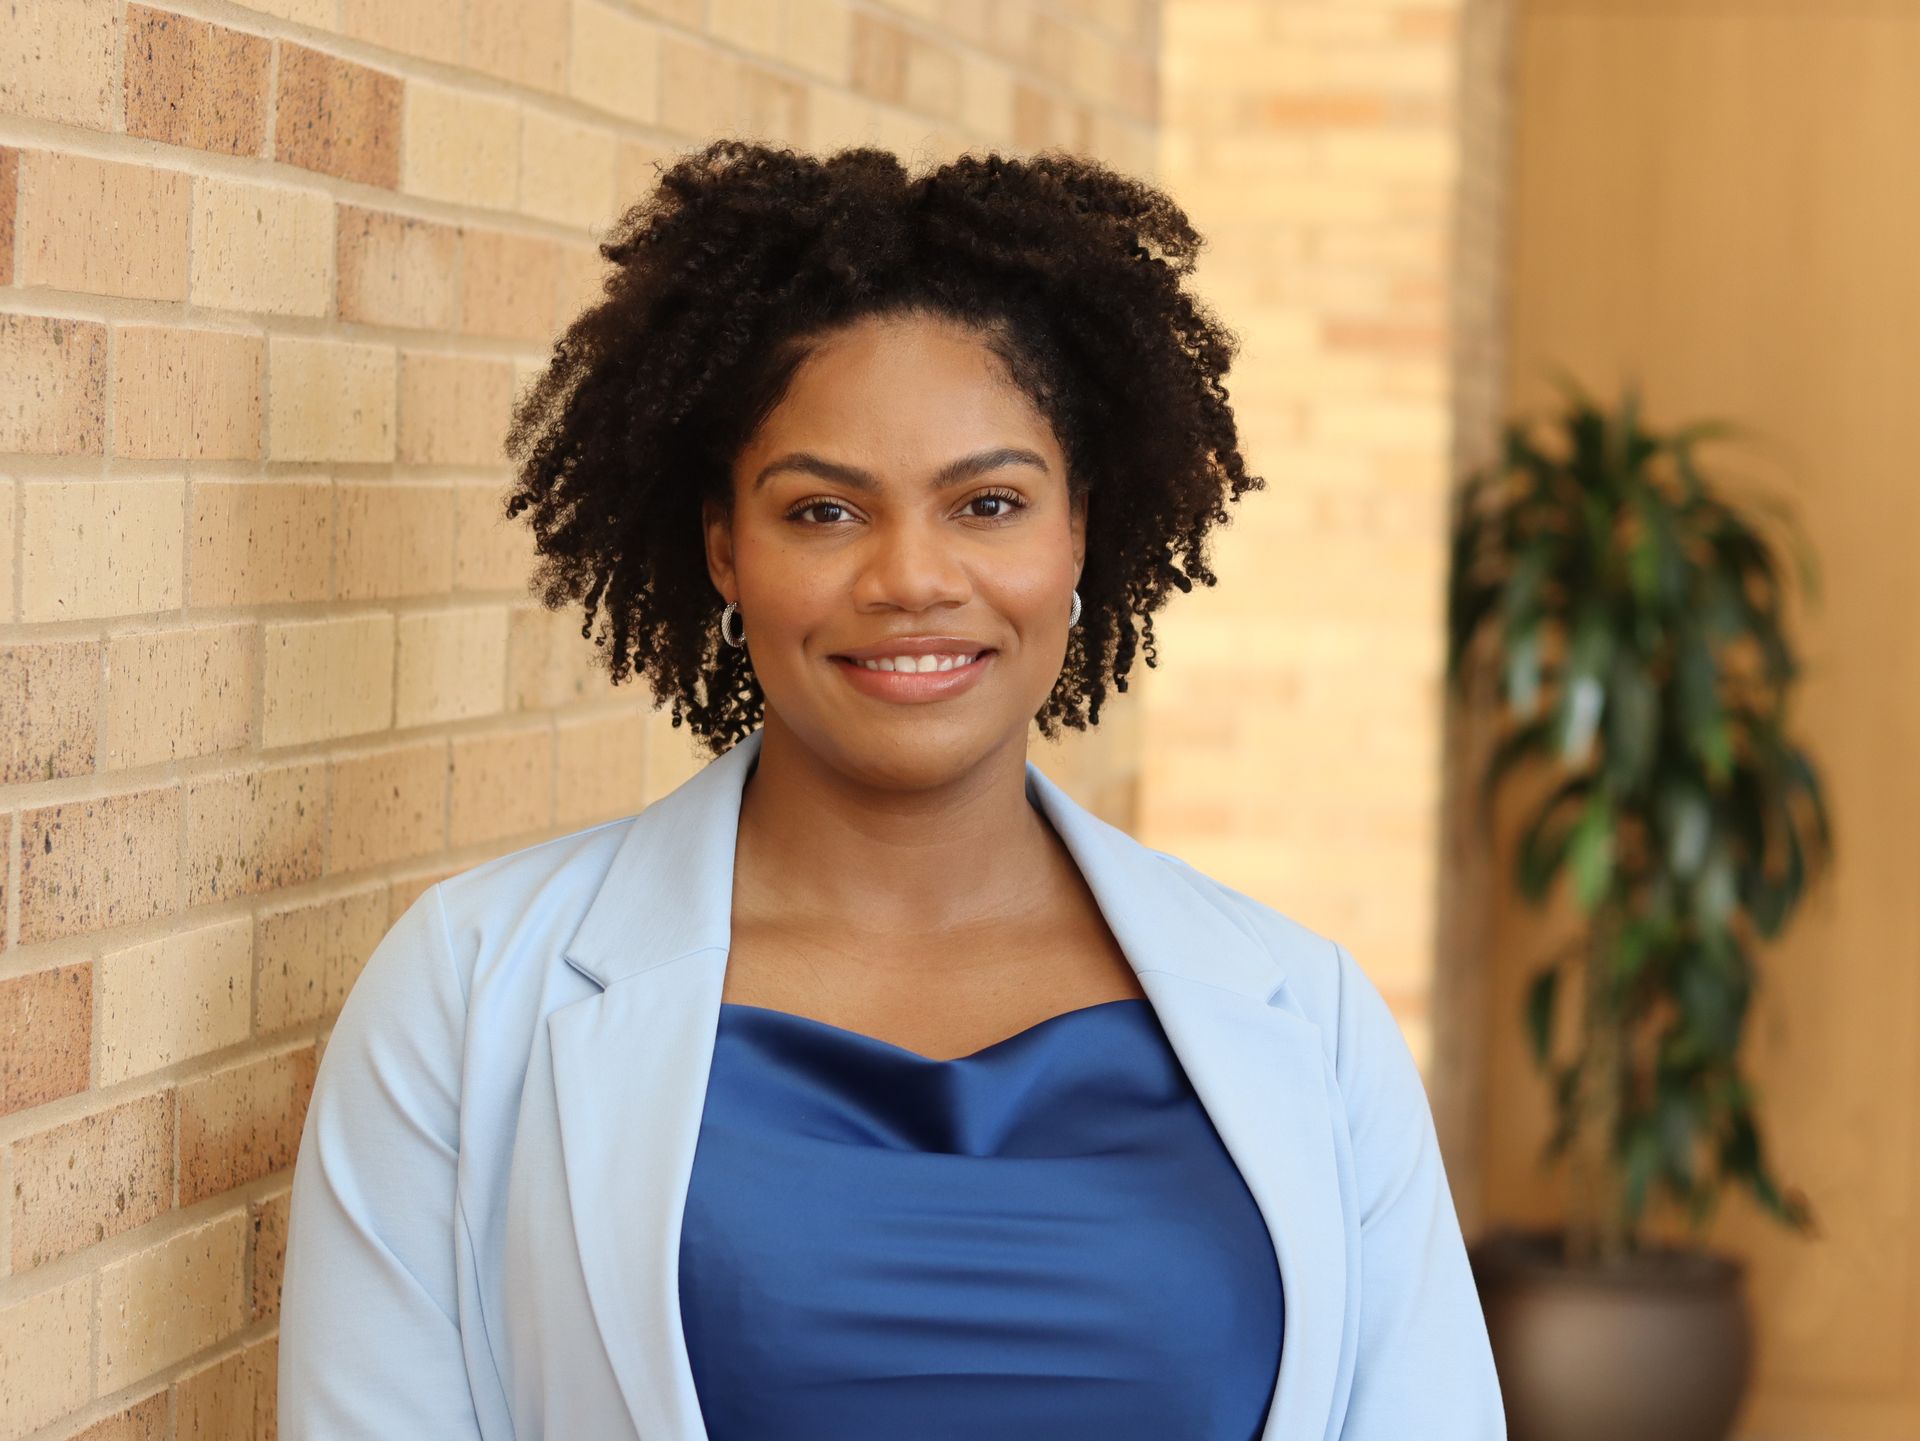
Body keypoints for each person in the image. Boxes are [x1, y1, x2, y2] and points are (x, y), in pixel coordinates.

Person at [278, 140, 1505, 1441]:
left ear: (1078, 527)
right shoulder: (467, 999)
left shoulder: (1307, 1019)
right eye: (824, 512)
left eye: (987, 502)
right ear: (722, 545)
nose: (912, 578)